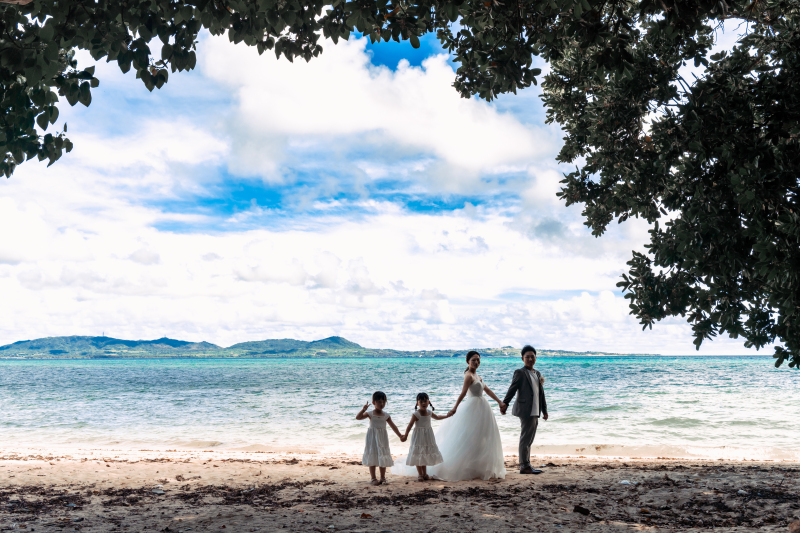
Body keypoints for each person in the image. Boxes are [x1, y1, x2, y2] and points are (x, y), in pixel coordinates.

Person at [396, 351, 507, 481]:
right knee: (470, 437)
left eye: (478, 360)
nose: (476, 362)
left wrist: (499, 402)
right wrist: (454, 408)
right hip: (472, 408)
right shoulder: (468, 376)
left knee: (482, 437)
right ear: (468, 362)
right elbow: (463, 393)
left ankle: (479, 466)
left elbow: (487, 390)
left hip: (483, 408)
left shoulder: (478, 376)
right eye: (473, 360)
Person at [500, 345, 548, 475]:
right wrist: (505, 403)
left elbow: (541, 394)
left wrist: (544, 410)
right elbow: (512, 388)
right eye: (527, 357)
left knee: (529, 438)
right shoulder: (520, 372)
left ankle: (526, 464)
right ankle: (524, 465)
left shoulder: (537, 373)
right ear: (522, 358)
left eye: (532, 356)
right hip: (526, 410)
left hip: (535, 410)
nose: (530, 359)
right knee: (525, 438)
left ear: (536, 358)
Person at [356, 391, 406, 485]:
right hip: (372, 438)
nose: (382, 404)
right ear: (374, 402)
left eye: (383, 402)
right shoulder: (370, 414)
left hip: (382, 438)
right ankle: (373, 478)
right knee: (373, 456)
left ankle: (383, 478)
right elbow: (358, 418)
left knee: (383, 456)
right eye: (379, 402)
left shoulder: (386, 415)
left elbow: (393, 426)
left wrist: (400, 436)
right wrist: (363, 410)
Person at [399, 392, 449, 481]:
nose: (423, 403)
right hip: (418, 437)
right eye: (421, 401)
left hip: (427, 437)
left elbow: (437, 417)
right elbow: (410, 425)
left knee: (424, 454)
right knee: (418, 454)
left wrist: (447, 416)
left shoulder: (429, 412)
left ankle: (425, 473)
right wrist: (405, 435)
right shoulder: (416, 414)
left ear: (428, 402)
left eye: (425, 401)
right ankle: (420, 474)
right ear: (417, 403)